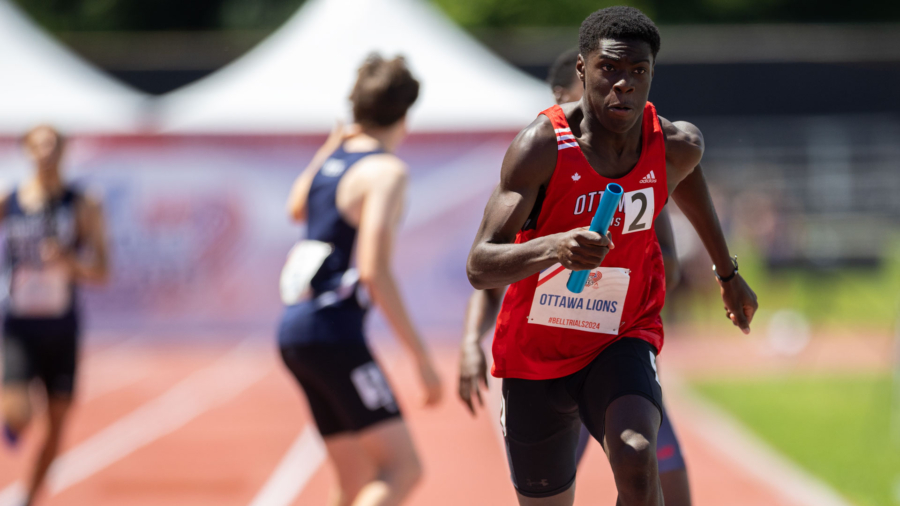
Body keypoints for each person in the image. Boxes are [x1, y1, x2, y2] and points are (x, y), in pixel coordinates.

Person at [465, 7, 758, 506]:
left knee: (637, 453)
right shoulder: (542, 147)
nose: (624, 84)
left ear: (652, 74)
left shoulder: (673, 145)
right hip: (536, 352)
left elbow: (690, 183)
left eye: (638, 71)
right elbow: (480, 264)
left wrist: (728, 275)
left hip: (620, 334)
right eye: (609, 69)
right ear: (582, 69)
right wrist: (554, 247)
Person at [458, 47, 690, 506]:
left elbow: (666, 253)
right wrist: (470, 341)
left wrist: (633, 291)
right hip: (540, 357)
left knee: (643, 464)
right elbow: (486, 268)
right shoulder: (538, 157)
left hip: (614, 346)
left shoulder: (639, 161)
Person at [279, 54, 443, 506]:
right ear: (405, 115)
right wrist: (421, 357)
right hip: (333, 330)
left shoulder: (333, 158)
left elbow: (296, 207)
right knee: (402, 469)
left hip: (296, 327)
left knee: (354, 480)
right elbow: (374, 270)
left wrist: (330, 147)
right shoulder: (387, 172)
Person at [0, 125, 110, 506]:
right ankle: (13, 422)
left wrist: (69, 263)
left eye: (53, 145)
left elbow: (102, 269)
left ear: (63, 151)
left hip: (62, 326)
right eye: (38, 145)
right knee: (19, 413)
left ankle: (28, 498)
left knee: (57, 425)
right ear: (27, 151)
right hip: (19, 324)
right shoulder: (9, 199)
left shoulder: (82, 204)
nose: (46, 152)